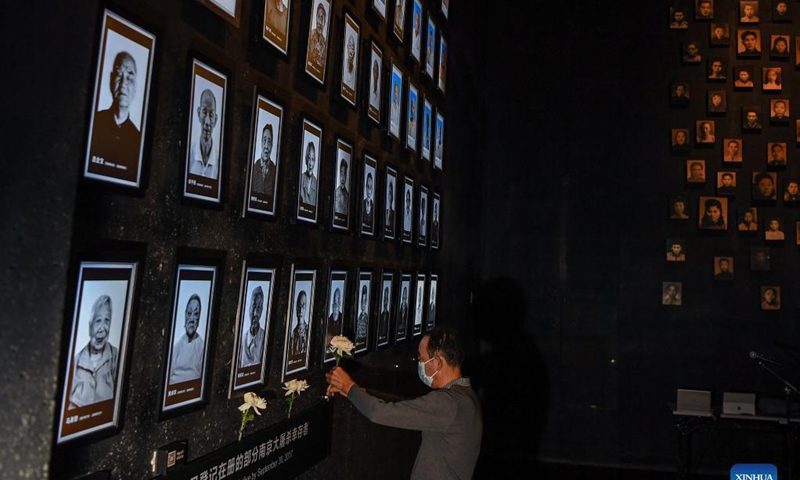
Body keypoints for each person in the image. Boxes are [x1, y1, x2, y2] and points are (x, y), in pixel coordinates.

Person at [325, 325, 482, 480]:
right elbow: (408, 406)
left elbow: (379, 413)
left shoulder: (448, 403)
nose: (419, 364)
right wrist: (357, 394)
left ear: (438, 362)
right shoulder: (465, 396)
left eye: (422, 359)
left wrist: (348, 386)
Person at [89, 51, 141, 179]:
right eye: (119, 74)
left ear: (135, 88)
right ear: (111, 80)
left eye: (129, 77)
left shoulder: (138, 139)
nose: (123, 83)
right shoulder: (94, 122)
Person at [69, 295, 118, 409]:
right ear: (90, 327)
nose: (102, 328)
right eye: (97, 321)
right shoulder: (76, 361)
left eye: (107, 321)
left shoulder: (116, 356)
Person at [170, 294, 205, 384]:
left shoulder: (202, 347)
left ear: (199, 318)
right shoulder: (177, 346)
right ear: (185, 315)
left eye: (196, 314)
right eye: (189, 313)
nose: (192, 319)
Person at [189, 89, 220, 179]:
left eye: (211, 115)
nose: (207, 122)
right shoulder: (190, 153)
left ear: (215, 120)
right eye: (204, 112)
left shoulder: (219, 160)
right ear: (199, 114)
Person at [240, 286, 265, 367]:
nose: (255, 313)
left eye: (258, 308)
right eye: (254, 306)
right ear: (249, 308)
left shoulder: (265, 338)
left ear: (261, 310)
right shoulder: (242, 339)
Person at [251, 124, 276, 198]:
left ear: (272, 145)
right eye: (264, 140)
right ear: (261, 142)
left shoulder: (275, 171)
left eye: (269, 142)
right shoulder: (254, 168)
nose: (266, 146)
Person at [307, 3, 328, 70]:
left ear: (325, 21)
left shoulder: (325, 44)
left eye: (322, 18)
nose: (319, 22)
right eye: (318, 17)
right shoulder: (310, 35)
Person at [290, 290, 309, 356]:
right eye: (299, 305)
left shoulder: (308, 331)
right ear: (296, 308)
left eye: (303, 306)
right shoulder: (293, 334)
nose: (301, 309)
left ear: (306, 308)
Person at [300, 141, 318, 206]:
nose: (310, 163)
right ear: (306, 159)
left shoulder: (316, 183)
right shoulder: (301, 179)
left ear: (315, 161)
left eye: (312, 159)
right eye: (309, 158)